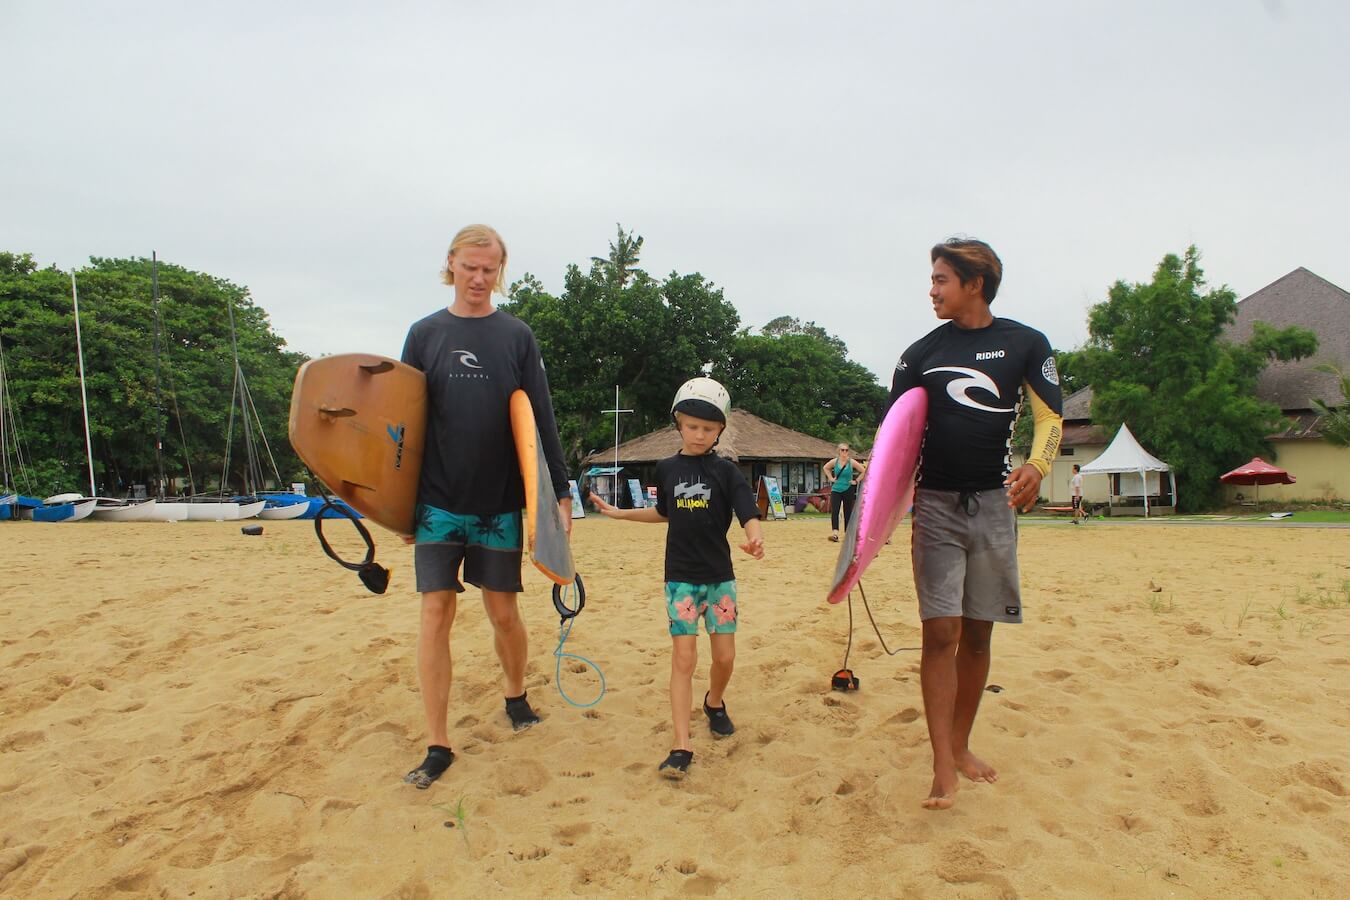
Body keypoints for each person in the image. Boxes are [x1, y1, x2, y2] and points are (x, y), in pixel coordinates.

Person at [888, 238, 1062, 809]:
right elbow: (896, 442)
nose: (932, 289)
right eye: (932, 278)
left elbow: (1048, 417)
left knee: (979, 631)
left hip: (994, 506)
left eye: (941, 279)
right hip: (935, 507)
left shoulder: (1025, 344)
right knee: (941, 633)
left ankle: (960, 744)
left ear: (975, 284)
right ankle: (942, 763)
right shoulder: (919, 355)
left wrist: (1037, 466)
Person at [399, 224, 572, 789]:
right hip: (437, 503)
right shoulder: (424, 335)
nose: (478, 278)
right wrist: (398, 504)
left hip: (499, 504)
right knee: (435, 613)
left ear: (500, 270)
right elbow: (404, 427)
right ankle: (437, 742)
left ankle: (516, 694)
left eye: (489, 268)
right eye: (469, 267)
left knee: (503, 613)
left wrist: (559, 498)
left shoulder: (516, 336)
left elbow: (540, 419)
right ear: (450, 264)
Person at [589, 377, 764, 779]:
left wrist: (755, 538)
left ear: (720, 430)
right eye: (692, 426)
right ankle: (680, 744)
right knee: (683, 658)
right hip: (680, 579)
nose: (699, 434)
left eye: (708, 428)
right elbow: (665, 513)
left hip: (720, 578)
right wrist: (620, 514)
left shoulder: (726, 471)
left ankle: (714, 703)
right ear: (678, 423)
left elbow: (747, 512)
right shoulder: (667, 468)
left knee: (725, 658)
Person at [822, 443, 866, 541]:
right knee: (835, 511)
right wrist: (830, 478)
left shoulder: (852, 462)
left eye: (846, 450)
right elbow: (825, 467)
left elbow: (863, 471)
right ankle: (835, 533)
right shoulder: (835, 461)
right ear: (839, 451)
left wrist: (856, 481)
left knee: (848, 512)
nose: (844, 452)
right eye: (842, 450)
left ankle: (848, 533)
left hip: (848, 489)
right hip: (836, 489)